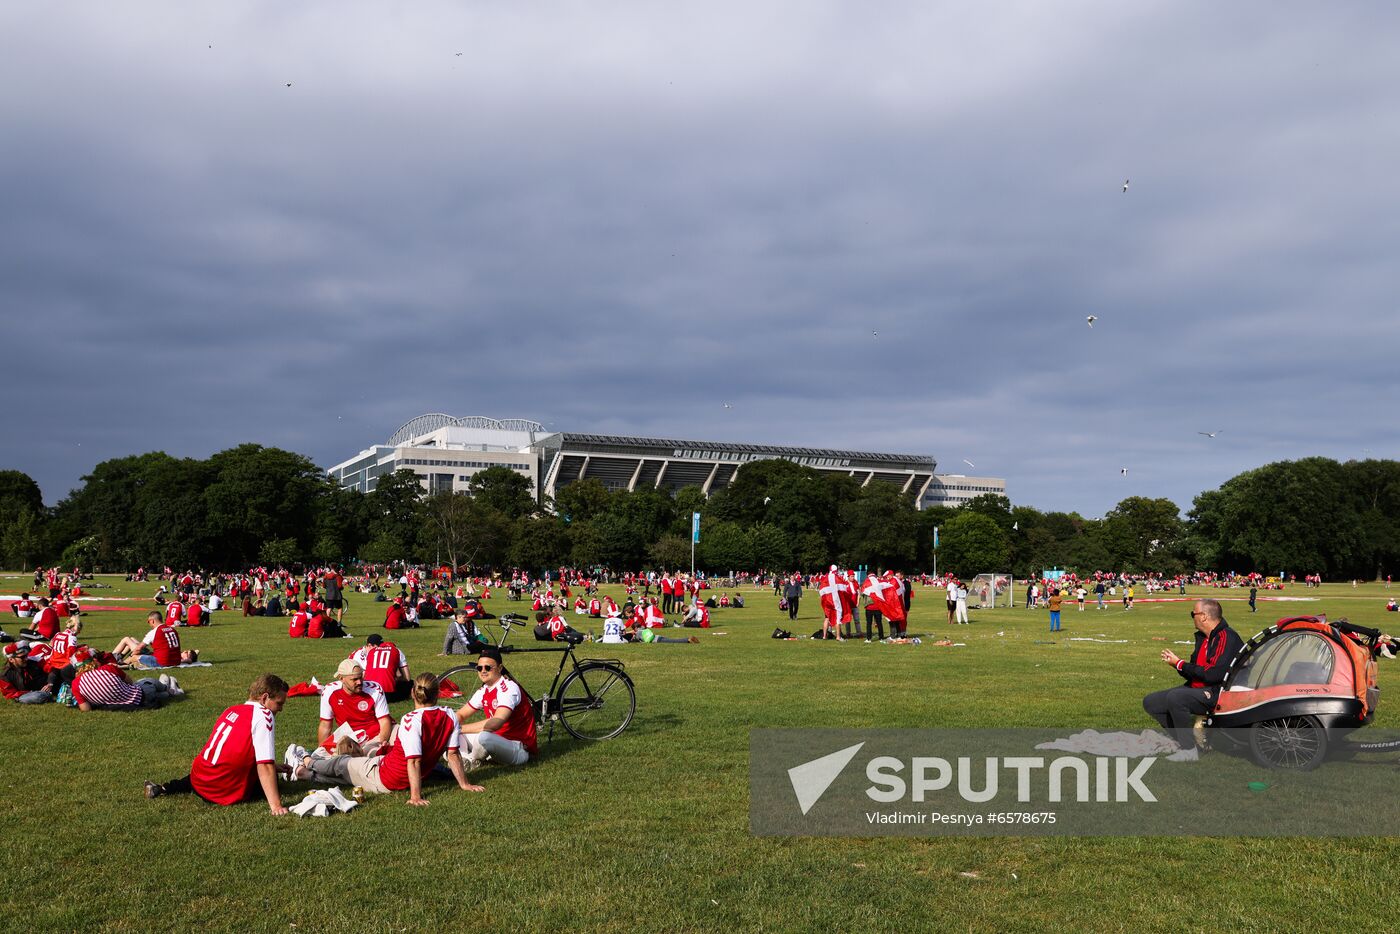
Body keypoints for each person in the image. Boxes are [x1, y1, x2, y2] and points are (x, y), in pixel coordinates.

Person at [292, 672, 484, 805]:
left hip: (386, 776)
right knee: (349, 775)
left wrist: (415, 796)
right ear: (437, 693)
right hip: (388, 767)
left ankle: (308, 761)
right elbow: (453, 755)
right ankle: (306, 774)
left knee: (343, 763)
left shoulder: (411, 719)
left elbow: (414, 761)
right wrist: (465, 784)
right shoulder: (450, 714)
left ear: (413, 693)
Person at [145, 674, 290, 813]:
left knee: (210, 768)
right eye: (279, 703)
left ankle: (163, 788)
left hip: (200, 777)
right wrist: (276, 806)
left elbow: (230, 753)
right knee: (272, 782)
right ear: (264, 698)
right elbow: (264, 765)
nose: (281, 709)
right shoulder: (264, 715)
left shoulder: (231, 710)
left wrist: (275, 766)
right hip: (222, 789)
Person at [1142, 599, 1243, 762]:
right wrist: (1178, 666)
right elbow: (1195, 673)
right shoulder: (1204, 638)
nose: (1192, 617)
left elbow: (1213, 675)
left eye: (1193, 614)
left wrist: (1180, 664)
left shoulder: (1226, 637)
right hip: (1199, 688)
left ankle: (1189, 751)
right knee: (1151, 702)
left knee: (1177, 697)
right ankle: (1187, 741)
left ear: (1203, 616)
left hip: (1218, 691)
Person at [455, 647, 538, 768]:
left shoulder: (508, 688)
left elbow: (496, 723)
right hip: (496, 740)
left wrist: (459, 728)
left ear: (499, 668)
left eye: (488, 667)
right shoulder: (484, 690)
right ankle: (464, 759)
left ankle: (471, 759)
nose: (483, 671)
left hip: (517, 747)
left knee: (483, 737)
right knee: (452, 733)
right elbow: (461, 714)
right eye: (479, 668)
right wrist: (448, 726)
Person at [314, 659, 391, 756]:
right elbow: (325, 726)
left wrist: (381, 743)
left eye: (361, 677)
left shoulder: (375, 689)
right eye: (354, 679)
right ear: (341, 678)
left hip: (379, 735)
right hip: (352, 741)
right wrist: (321, 752)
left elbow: (385, 721)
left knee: (406, 739)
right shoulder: (329, 691)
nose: (359, 682)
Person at [72, 656, 177, 710]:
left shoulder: (76, 684)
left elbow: (85, 708)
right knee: (146, 681)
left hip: (127, 705)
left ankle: (170, 692)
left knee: (157, 695)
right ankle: (165, 686)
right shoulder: (107, 668)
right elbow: (130, 681)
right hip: (141, 695)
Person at [351, 633, 410, 701]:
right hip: (386, 693)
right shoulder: (397, 650)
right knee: (409, 683)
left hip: (369, 691)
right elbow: (406, 678)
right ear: (369, 645)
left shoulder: (371, 652)